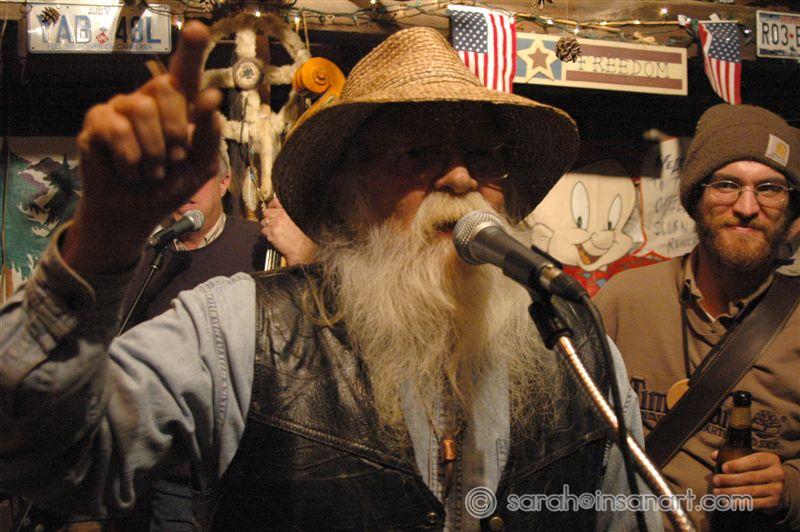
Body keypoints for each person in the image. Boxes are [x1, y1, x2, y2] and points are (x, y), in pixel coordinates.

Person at [0, 23, 661, 531]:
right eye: (420, 153)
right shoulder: (239, 331)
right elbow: (44, 457)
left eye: (486, 156)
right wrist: (101, 238)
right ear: (347, 190)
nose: (462, 178)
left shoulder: (574, 345)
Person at [595, 104, 800, 530]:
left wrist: (790, 488)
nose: (747, 207)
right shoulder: (623, 300)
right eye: (726, 185)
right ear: (695, 199)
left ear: (791, 212)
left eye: (770, 189)